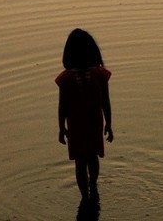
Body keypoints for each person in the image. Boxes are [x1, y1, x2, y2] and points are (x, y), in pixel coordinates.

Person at [56, 28, 113, 202]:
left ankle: (85, 196)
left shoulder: (66, 78)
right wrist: (109, 125)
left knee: (80, 163)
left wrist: (61, 128)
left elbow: (62, 106)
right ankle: (93, 187)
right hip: (93, 125)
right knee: (93, 158)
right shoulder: (99, 74)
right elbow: (106, 103)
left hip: (76, 128)